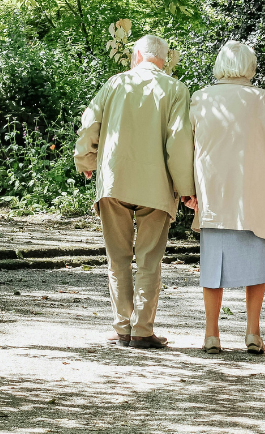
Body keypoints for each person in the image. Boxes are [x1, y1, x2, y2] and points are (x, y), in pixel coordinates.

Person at [74, 34, 195, 349]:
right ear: (164, 60)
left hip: (115, 181)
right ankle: (141, 331)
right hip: (157, 186)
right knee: (149, 259)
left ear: (137, 56)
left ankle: (122, 328)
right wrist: (186, 188)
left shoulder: (115, 84)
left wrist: (85, 159)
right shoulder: (176, 89)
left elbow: (90, 124)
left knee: (117, 258)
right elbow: (179, 141)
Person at [183, 40, 265, 355]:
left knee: (211, 268)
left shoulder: (201, 99)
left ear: (220, 65)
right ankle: (253, 333)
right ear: (250, 67)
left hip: (214, 195)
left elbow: (187, 150)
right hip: (253, 197)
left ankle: (211, 334)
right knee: (255, 268)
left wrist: (188, 191)